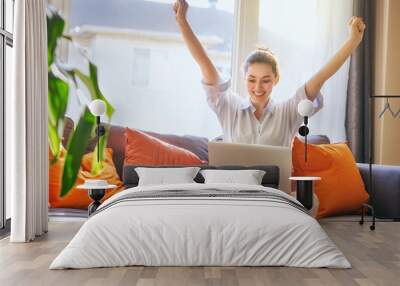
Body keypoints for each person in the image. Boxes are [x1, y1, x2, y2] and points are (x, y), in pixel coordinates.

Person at [173, 0, 366, 147]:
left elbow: (321, 77)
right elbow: (205, 65)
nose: (257, 88)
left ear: (276, 79)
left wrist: (352, 42)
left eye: (265, 80)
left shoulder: (288, 112)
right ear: (244, 79)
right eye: (251, 80)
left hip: (274, 191)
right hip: (236, 190)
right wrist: (182, 22)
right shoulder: (228, 107)